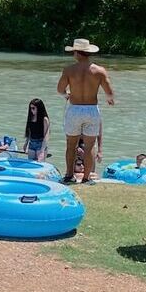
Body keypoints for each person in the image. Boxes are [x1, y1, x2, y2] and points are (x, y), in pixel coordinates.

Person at [57, 38, 115, 184]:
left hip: (74, 108)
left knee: (71, 145)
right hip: (91, 109)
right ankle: (86, 177)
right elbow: (109, 92)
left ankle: (69, 175)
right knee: (89, 146)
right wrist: (109, 99)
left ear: (76, 53)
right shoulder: (99, 71)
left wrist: (66, 95)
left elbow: (60, 89)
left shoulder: (69, 70)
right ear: (88, 53)